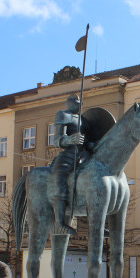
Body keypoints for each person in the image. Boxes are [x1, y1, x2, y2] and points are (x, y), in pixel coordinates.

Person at [52, 94, 89, 235]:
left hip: (85, 154)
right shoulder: (63, 115)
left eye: (81, 102)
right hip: (69, 154)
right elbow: (57, 140)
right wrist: (70, 140)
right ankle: (59, 223)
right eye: (78, 103)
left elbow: (88, 139)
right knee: (60, 176)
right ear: (69, 104)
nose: (81, 105)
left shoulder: (84, 120)